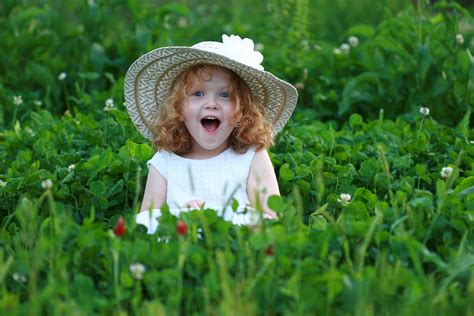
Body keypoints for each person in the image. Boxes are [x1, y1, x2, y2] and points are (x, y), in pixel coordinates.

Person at [124, 34, 297, 231]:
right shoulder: (165, 161)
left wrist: (232, 220)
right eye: (198, 94)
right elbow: (147, 223)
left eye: (225, 95)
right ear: (178, 108)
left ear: (243, 111)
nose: (211, 104)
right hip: (181, 252)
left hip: (237, 248)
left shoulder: (251, 157)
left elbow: (274, 220)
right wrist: (181, 215)